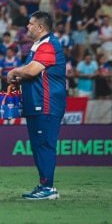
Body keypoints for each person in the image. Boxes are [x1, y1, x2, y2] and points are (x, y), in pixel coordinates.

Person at [7, 11, 66, 200]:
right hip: (36, 102)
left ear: (41, 27)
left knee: (44, 145)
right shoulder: (38, 45)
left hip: (46, 103)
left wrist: (15, 71)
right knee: (38, 146)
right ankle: (44, 184)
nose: (27, 27)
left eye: (31, 24)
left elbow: (32, 70)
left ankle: (48, 188)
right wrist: (18, 77)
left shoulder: (48, 44)